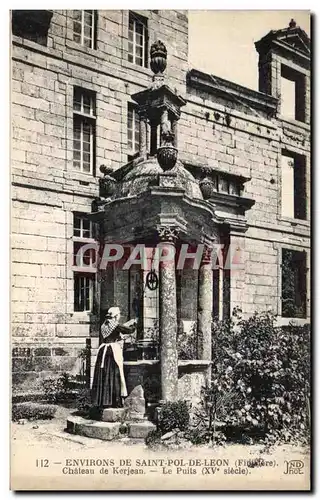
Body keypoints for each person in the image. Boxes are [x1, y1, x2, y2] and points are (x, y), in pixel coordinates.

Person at [91, 307, 136, 408]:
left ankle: (102, 400)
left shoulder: (105, 324)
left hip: (103, 350)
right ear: (116, 316)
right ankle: (113, 401)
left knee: (104, 374)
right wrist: (134, 324)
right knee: (113, 374)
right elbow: (128, 330)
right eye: (119, 315)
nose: (119, 316)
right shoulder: (115, 324)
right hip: (112, 351)